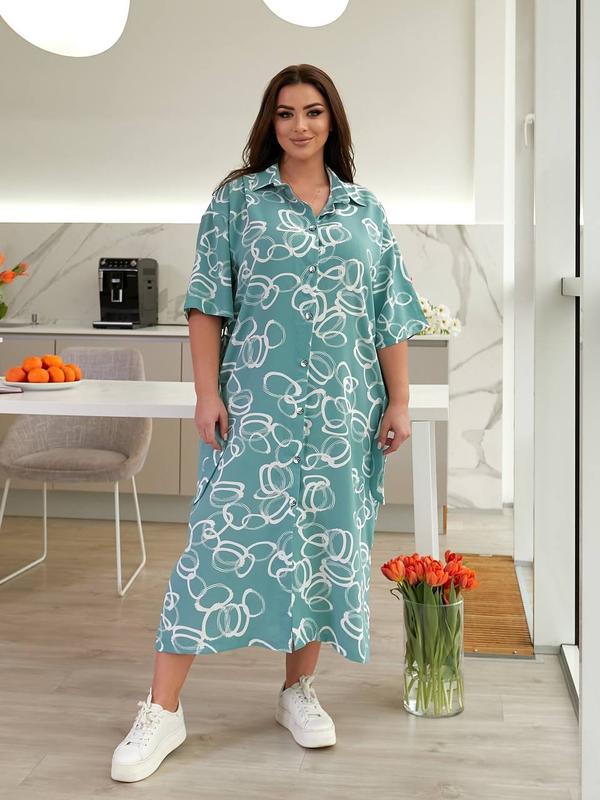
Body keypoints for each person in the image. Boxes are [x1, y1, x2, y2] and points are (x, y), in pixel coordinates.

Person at [111, 63, 429, 783]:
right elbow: (206, 303)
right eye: (286, 113)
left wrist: (400, 399)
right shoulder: (238, 202)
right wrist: (206, 394)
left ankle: (298, 691)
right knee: (212, 551)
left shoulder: (365, 211)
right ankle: (162, 710)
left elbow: (390, 312)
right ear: (270, 122)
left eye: (313, 112)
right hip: (256, 409)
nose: (300, 125)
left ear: (332, 120)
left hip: (344, 412)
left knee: (320, 548)